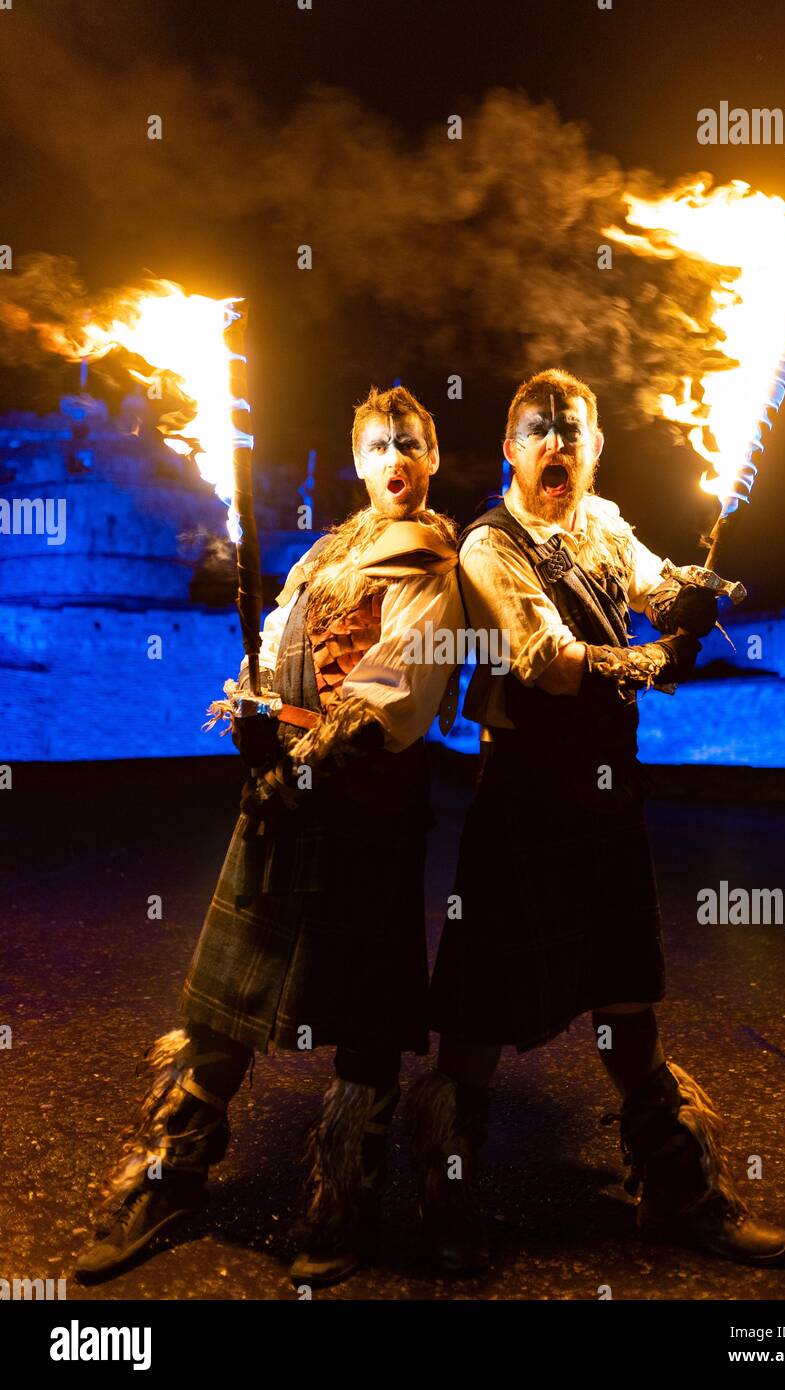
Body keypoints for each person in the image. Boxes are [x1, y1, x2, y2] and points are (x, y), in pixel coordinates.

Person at [75, 385, 463, 1287]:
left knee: (366, 1013)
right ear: (359, 460)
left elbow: (400, 689)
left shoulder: (435, 561)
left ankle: (346, 1197)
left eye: (410, 444)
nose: (395, 459)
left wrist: (309, 741)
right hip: (282, 797)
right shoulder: (322, 555)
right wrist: (250, 702)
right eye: (377, 446)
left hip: (366, 805)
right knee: (223, 1006)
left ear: (432, 459)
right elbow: (276, 647)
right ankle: (173, 1177)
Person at [411, 368, 785, 1274]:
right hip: (523, 805)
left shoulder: (605, 523)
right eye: (539, 431)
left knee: (628, 1000)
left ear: (593, 447)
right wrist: (657, 656)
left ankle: (677, 1193)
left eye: (572, 431)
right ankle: (448, 1197)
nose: (557, 445)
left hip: (607, 797)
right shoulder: (488, 546)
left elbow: (657, 585)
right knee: (477, 1020)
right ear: (511, 448)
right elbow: (546, 659)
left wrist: (694, 596)